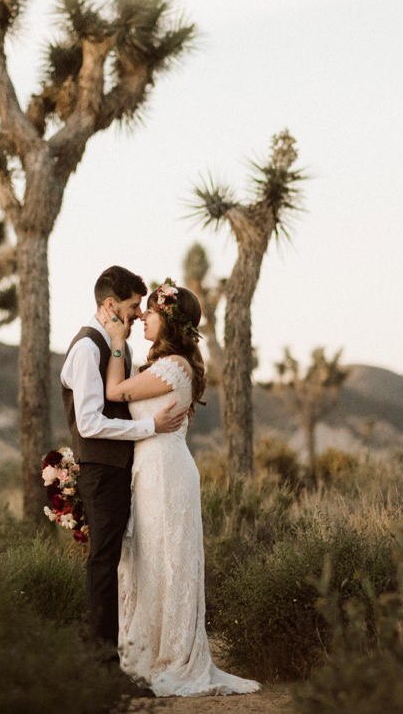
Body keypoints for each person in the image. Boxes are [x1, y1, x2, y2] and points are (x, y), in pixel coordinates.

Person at [102, 281, 260, 697]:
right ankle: (146, 647)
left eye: (148, 314)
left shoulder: (174, 367)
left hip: (166, 473)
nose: (140, 321)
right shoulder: (162, 365)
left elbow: (114, 391)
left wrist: (116, 341)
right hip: (150, 468)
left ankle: (171, 654)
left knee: (166, 559)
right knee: (151, 559)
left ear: (168, 321)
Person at [61, 266, 190, 656]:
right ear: (110, 305)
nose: (137, 315)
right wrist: (150, 427)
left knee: (118, 560)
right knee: (105, 560)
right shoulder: (87, 348)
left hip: (125, 470)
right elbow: (89, 423)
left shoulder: (118, 346)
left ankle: (119, 650)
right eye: (134, 307)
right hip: (102, 469)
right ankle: (100, 658)